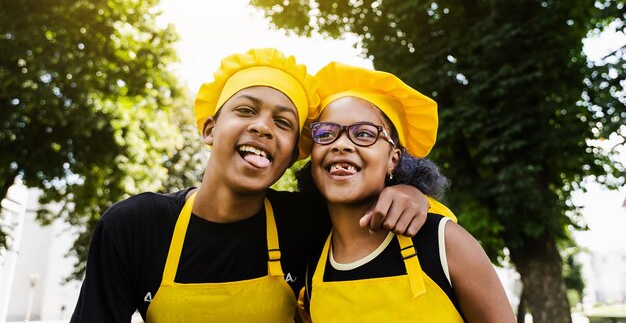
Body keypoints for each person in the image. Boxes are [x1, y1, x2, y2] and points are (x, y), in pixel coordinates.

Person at [70, 48, 437, 323]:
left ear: (294, 153)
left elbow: (364, 202)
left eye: (283, 122)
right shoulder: (134, 227)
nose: (263, 127)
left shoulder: (308, 223)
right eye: (246, 110)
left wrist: (408, 190)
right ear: (210, 129)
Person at [296, 61, 516, 323]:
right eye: (326, 133)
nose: (341, 144)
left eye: (364, 133)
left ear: (393, 159)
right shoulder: (310, 267)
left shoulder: (443, 242)